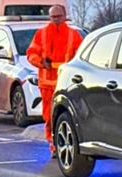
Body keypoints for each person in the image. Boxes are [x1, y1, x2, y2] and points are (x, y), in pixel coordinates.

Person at [26, 5, 83, 157]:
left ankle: (63, 143)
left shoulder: (74, 35)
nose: (55, 19)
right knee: (49, 117)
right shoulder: (41, 34)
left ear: (65, 16)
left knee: (65, 116)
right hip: (47, 84)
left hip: (66, 84)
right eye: (52, 17)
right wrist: (40, 62)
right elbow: (31, 53)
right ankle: (53, 145)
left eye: (58, 16)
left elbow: (80, 59)